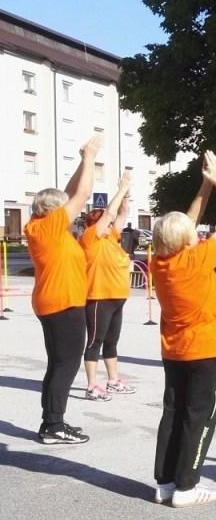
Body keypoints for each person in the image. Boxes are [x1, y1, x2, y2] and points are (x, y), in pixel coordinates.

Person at [151, 151, 216, 507]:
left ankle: (164, 482)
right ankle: (187, 487)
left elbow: (184, 224)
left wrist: (203, 188)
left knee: (173, 413)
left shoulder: (160, 262)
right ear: (187, 240)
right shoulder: (196, 258)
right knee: (200, 417)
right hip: (204, 350)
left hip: (174, 350)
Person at [23, 134, 103, 445]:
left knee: (58, 364)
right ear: (55, 210)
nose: (71, 210)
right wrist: (90, 158)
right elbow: (81, 194)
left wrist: (82, 157)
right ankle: (53, 426)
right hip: (63, 303)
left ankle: (52, 423)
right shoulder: (51, 226)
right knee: (66, 365)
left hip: (54, 301)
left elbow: (70, 192)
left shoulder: (41, 225)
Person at [80, 170, 135, 401]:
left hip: (117, 297)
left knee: (112, 341)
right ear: (93, 223)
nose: (109, 221)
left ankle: (113, 380)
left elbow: (121, 212)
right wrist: (120, 189)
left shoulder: (112, 237)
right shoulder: (90, 238)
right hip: (99, 297)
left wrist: (126, 192)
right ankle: (92, 385)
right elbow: (111, 213)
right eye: (103, 218)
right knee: (95, 342)